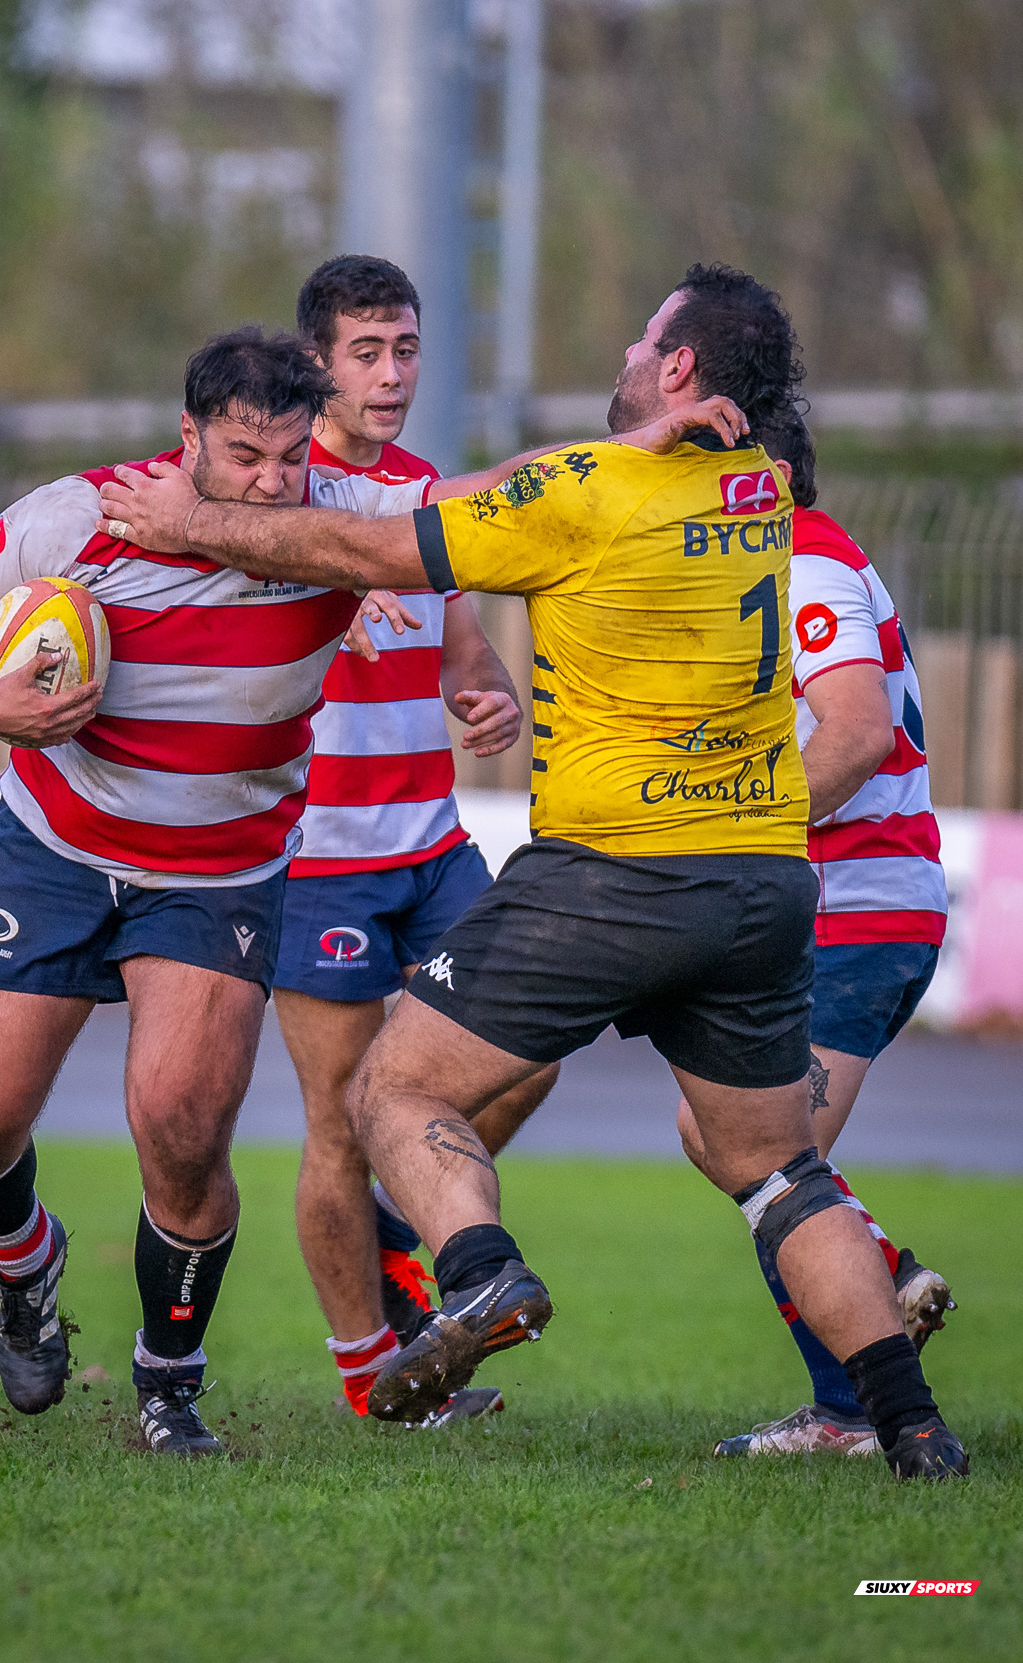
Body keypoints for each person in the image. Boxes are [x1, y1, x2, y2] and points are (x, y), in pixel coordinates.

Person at [97, 263, 968, 1481]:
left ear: (676, 368)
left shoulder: (579, 495)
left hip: (612, 873)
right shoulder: (762, 494)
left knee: (392, 1090)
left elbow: (370, 543)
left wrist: (195, 524)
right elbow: (574, 488)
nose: (623, 353)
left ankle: (475, 1272)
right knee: (774, 1171)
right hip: (761, 884)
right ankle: (909, 1426)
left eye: (642, 341)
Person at [0, 328, 441, 1458]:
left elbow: (496, 508)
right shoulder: (78, 515)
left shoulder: (342, 521)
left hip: (217, 870)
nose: (271, 483)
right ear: (187, 436)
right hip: (54, 845)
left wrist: (638, 450)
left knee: (182, 1132)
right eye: (243, 456)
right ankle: (25, 1263)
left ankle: (167, 1385)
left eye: (290, 457)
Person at [274, 255, 558, 1423]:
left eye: (405, 350)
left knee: (526, 1055)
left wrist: (487, 699)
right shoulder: (272, 496)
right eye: (365, 353)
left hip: (431, 847)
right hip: (319, 860)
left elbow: (464, 656)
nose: (391, 375)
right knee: (337, 1125)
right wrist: (330, 589)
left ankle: (401, 1222)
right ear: (315, 365)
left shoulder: (426, 492)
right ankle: (369, 1378)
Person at [676, 407, 955, 1458]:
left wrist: (738, 821)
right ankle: (876, 1285)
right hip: (846, 904)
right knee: (722, 1136)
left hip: (857, 905)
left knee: (768, 1155)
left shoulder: (801, 559)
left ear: (775, 475)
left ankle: (847, 1409)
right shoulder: (774, 565)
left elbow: (855, 733)